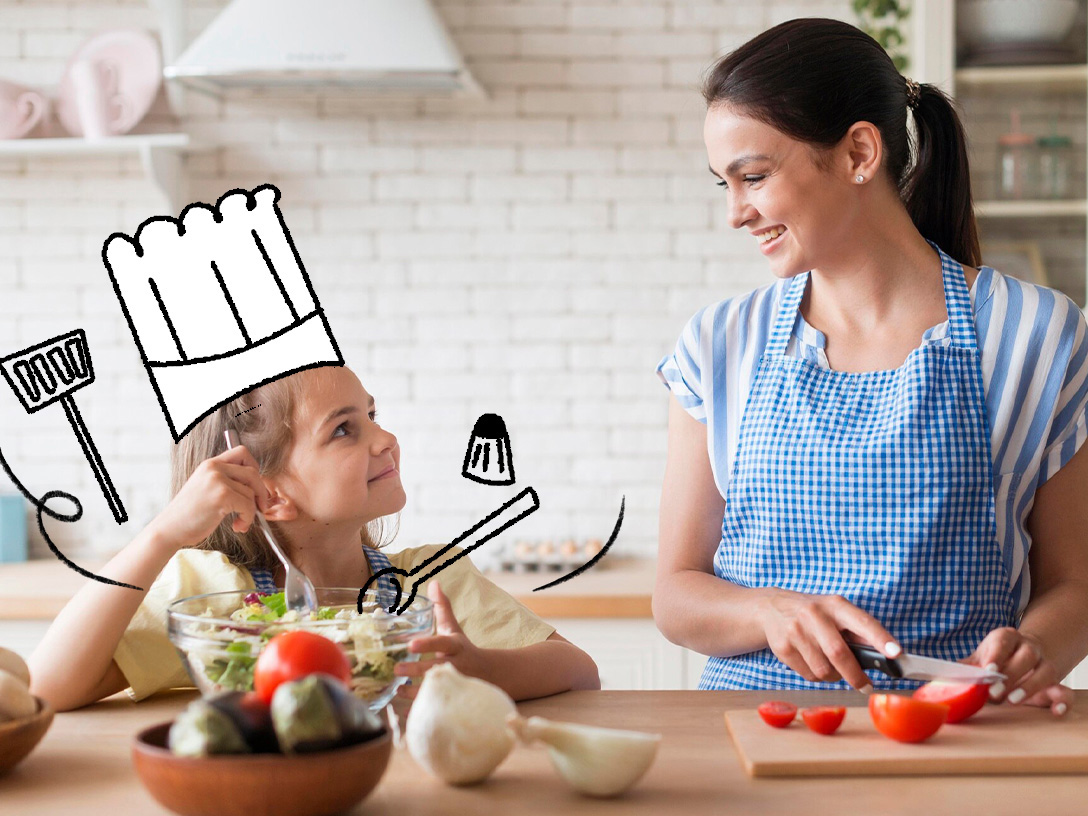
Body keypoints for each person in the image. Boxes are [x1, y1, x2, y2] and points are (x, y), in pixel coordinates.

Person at [653, 18, 1087, 716]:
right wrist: (770, 613)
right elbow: (676, 592)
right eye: (723, 185)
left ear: (859, 152)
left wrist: (1034, 648)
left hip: (959, 733)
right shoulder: (718, 344)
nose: (737, 212)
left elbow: (1075, 585)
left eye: (754, 177)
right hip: (756, 733)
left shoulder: (1038, 335)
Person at [29, 366, 600, 710]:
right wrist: (159, 536)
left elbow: (577, 669)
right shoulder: (213, 603)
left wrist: (476, 668)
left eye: (373, 415)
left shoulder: (431, 580)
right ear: (270, 494)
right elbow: (47, 687)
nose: (386, 438)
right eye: (346, 429)